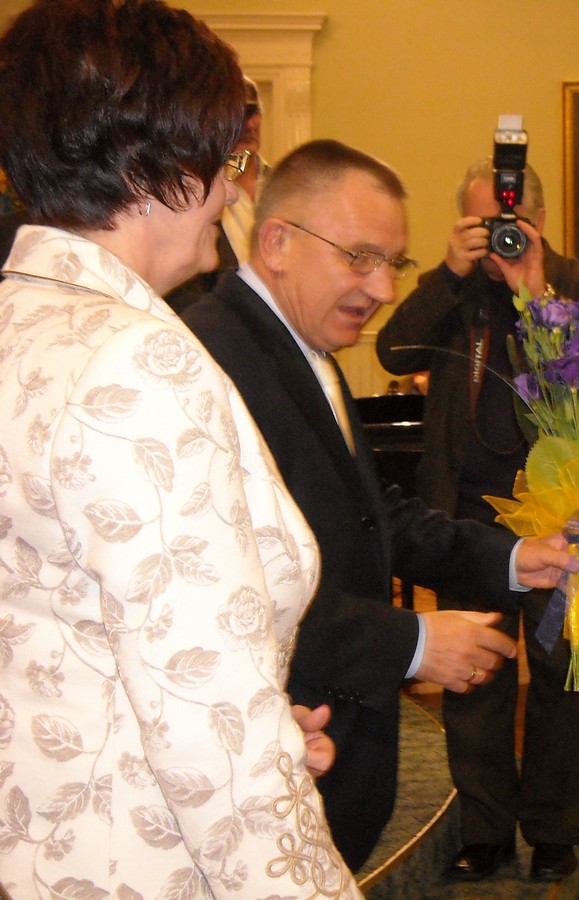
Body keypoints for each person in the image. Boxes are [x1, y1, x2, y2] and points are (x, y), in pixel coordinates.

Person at [0, 1, 358, 892]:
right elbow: (208, 725)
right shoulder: (136, 361)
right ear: (155, 165)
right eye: (227, 161)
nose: (234, 193)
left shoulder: (20, 322)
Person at [181, 140, 576, 871]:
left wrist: (516, 558)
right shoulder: (211, 359)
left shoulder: (303, 348)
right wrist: (413, 642)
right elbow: (221, 595)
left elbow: (373, 514)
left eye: (393, 263)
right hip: (273, 751)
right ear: (277, 243)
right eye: (361, 257)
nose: (385, 288)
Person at [375, 158, 579, 883]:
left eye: (507, 222)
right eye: (482, 222)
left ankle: (554, 833)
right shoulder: (455, 289)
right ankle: (484, 831)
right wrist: (451, 275)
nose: (497, 235)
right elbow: (393, 350)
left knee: (566, 679)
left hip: (563, 516)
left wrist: (534, 290)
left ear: (537, 220)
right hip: (467, 521)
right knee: (473, 679)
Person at [165, 75, 266, 313]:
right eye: (239, 113)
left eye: (253, 112)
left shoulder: (285, 185)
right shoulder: (195, 192)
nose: (248, 124)